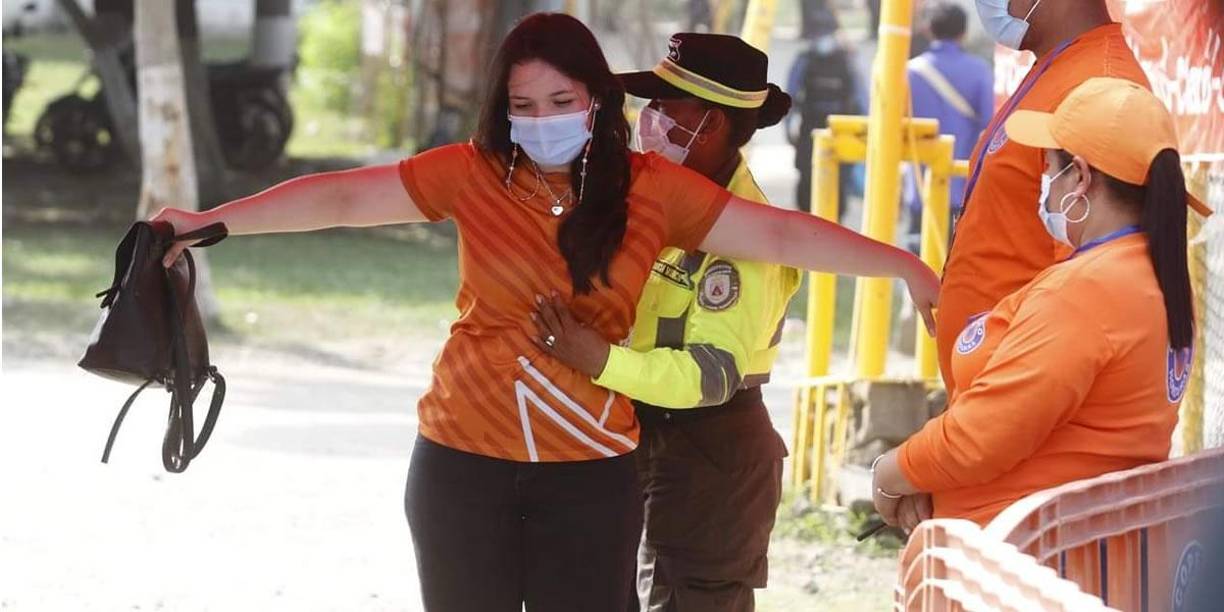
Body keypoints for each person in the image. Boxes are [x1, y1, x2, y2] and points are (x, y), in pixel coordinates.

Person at [153, 13, 940, 612]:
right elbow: (344, 195)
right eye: (523, 104)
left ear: (596, 100)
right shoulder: (472, 173)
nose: (541, 119)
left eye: (561, 100)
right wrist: (212, 222)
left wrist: (904, 264)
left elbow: (778, 231)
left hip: (591, 476)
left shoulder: (651, 190)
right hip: (459, 464)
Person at [870, 78, 1210, 529]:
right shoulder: (1152, 274)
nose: (1044, 183)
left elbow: (980, 438)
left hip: (1018, 555)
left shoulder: (1087, 292)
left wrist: (889, 474)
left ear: (1081, 178)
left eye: (1049, 167)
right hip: (1078, 538)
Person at [532, 33, 796, 611]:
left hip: (711, 452)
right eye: (647, 106)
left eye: (664, 109)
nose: (647, 120)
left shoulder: (747, 236)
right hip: (644, 432)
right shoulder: (654, 201)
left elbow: (711, 375)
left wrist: (598, 360)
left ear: (713, 126)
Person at [936, 0, 1156, 396]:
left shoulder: (1098, 84)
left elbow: (1088, 289)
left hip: (1024, 402)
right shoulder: (1058, 64)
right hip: (994, 390)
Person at [901, 1, 993, 248]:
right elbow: (989, 122)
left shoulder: (909, 72)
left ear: (928, 30)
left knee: (917, 261)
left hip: (920, 186)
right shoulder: (980, 70)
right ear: (963, 33)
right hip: (962, 186)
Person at [788, 7, 858, 214]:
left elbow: (790, 95)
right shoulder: (841, 59)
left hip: (825, 127)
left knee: (821, 177)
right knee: (820, 177)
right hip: (828, 126)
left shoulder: (812, 58)